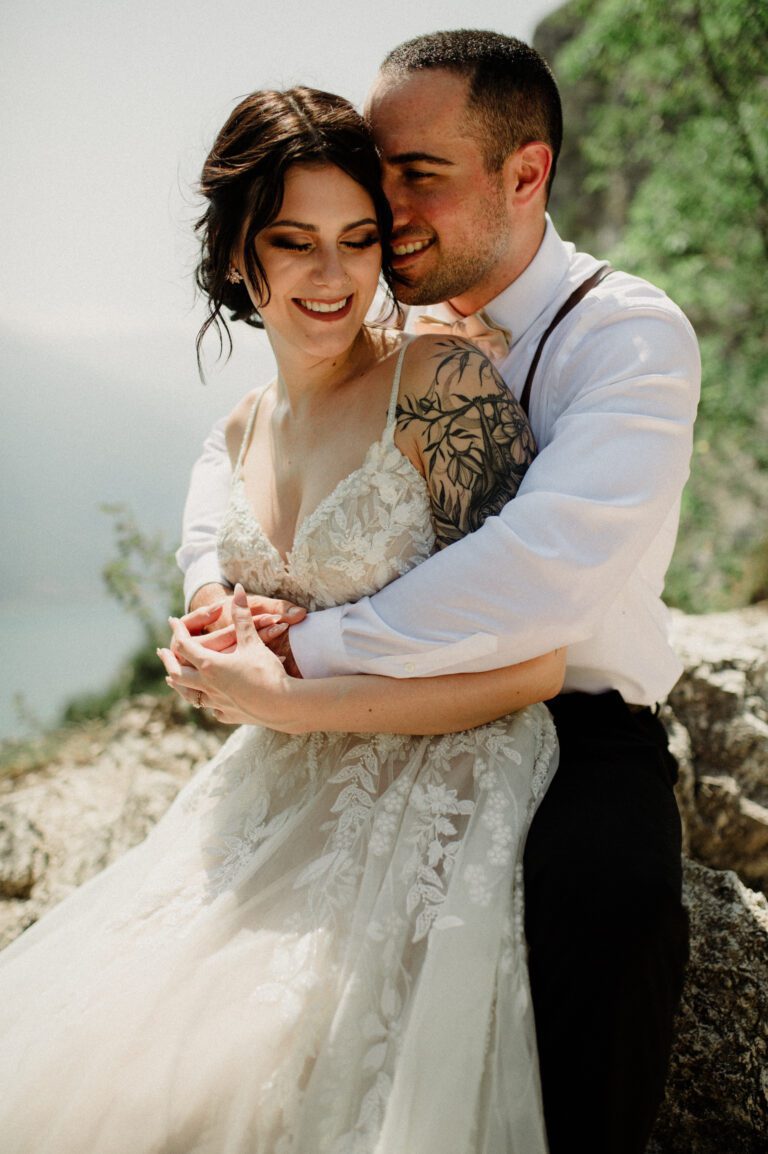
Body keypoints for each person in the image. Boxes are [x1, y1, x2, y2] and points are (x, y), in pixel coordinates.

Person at [0, 85, 564, 1153]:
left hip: (443, 770)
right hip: (270, 783)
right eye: (294, 241)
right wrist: (209, 653)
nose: (334, 275)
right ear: (235, 258)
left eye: (359, 240)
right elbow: (227, 609)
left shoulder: (438, 385)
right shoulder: (237, 429)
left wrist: (295, 701)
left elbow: (536, 660)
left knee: (279, 1069)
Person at [175, 31, 701, 1154]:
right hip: (356, 716)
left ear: (526, 173)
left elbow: (540, 575)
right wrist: (217, 602)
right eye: (382, 172)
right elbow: (246, 462)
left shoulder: (629, 337)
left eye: (420, 177)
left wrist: (306, 655)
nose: (389, 213)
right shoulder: (379, 319)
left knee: (610, 907)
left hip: (574, 713)